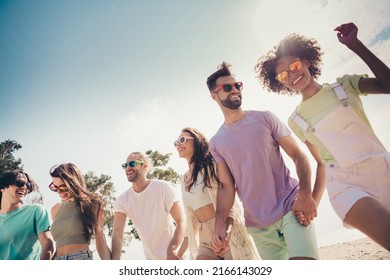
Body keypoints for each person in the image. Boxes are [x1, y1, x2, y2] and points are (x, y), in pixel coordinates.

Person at [254, 22, 390, 251]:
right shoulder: (296, 120)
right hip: (346, 186)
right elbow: (321, 163)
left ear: (307, 61)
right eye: (283, 75)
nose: (292, 75)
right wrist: (311, 202)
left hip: (383, 168)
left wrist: (356, 46)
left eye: (294, 65)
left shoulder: (345, 86)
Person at [206, 62, 319, 260]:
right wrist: (219, 226)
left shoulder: (265, 118)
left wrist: (305, 195)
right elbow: (226, 187)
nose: (234, 90)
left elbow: (298, 155)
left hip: (291, 209)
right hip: (259, 226)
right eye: (227, 87)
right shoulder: (216, 143)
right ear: (214, 95)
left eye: (237, 85)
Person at [175, 127, 260, 260]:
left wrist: (227, 230)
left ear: (196, 141)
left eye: (182, 140)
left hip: (226, 234)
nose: (178, 144)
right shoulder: (184, 180)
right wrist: (179, 254)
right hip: (205, 241)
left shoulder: (212, 165)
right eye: (176, 142)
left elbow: (230, 199)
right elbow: (191, 221)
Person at [111, 151, 186, 260]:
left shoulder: (163, 188)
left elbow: (181, 221)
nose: (127, 168)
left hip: (173, 257)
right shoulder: (122, 200)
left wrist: (172, 250)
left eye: (132, 164)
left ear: (145, 166)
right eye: (125, 165)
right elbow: (117, 233)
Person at [49, 163, 111, 260]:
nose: (58, 192)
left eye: (63, 187)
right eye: (55, 187)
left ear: (74, 183)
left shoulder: (93, 205)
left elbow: (101, 243)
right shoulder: (55, 209)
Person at [0, 170, 54, 260]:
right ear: (3, 187)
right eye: (20, 183)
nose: (25, 187)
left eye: (28, 185)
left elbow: (48, 243)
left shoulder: (36, 211)